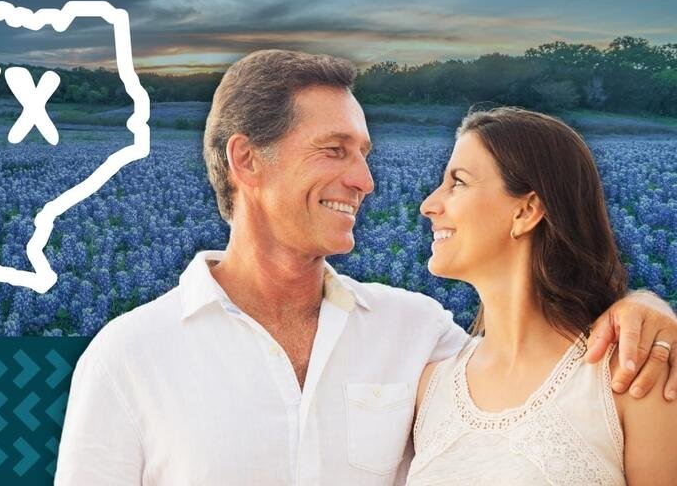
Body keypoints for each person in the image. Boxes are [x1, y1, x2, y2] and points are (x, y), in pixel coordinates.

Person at [55, 50, 677, 485]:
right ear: (247, 160)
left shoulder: (419, 335)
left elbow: (540, 381)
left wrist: (643, 306)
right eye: (334, 150)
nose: (366, 180)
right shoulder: (126, 358)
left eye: (365, 153)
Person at [409, 108, 677, 485]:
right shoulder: (429, 386)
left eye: (458, 183)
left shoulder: (633, 375)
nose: (428, 205)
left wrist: (649, 302)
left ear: (526, 210)